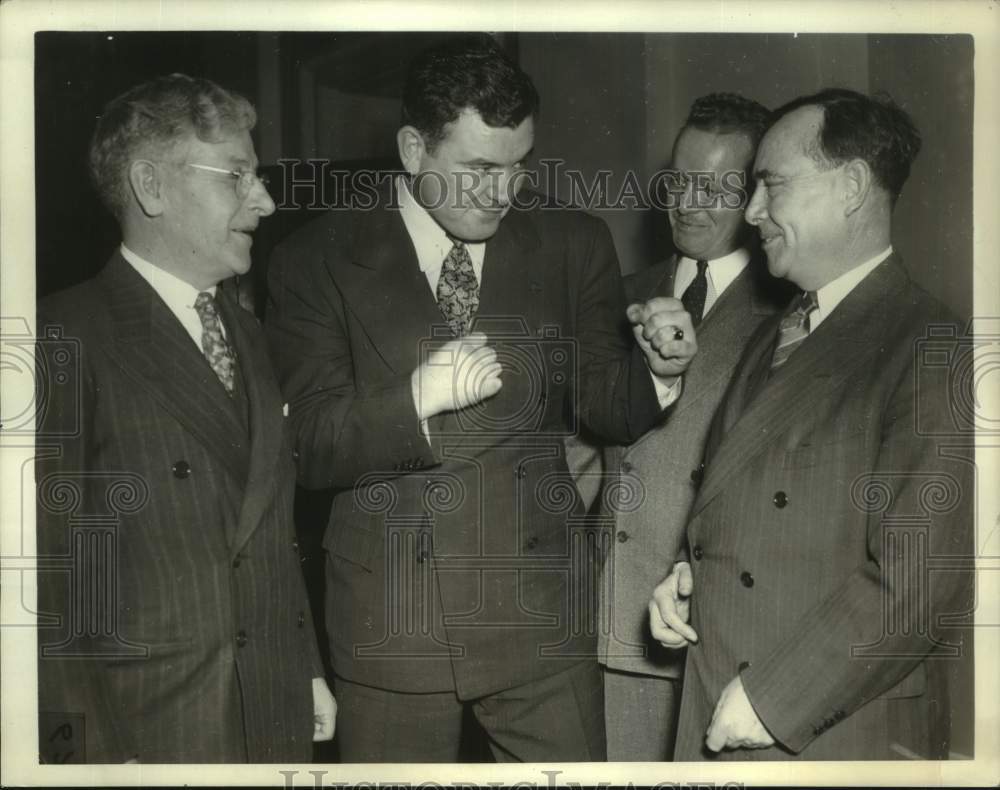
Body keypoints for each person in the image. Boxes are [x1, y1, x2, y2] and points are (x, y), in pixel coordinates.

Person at [265, 35, 697, 762]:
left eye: (518, 164)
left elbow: (606, 406)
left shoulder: (572, 242)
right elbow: (308, 445)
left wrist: (659, 370)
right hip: (393, 624)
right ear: (412, 149)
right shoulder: (314, 260)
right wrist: (412, 400)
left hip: (538, 618)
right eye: (478, 168)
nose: (504, 191)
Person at [650, 88, 974, 760]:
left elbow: (919, 580)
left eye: (770, 184)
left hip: (818, 730)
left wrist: (774, 701)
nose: (752, 210)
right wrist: (689, 576)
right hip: (721, 689)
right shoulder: (776, 333)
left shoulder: (932, 344)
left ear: (852, 185)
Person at [35, 73, 335, 763]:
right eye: (237, 175)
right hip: (150, 731)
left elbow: (268, 527)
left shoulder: (248, 330)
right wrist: (81, 760)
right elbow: (41, 590)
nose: (263, 200)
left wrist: (306, 666)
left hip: (270, 706)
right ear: (152, 187)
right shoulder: (60, 336)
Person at [576, 93, 791, 761]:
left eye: (716, 186)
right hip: (605, 619)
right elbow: (579, 457)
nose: (687, 201)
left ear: (757, 194)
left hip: (712, 631)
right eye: (679, 180)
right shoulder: (618, 293)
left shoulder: (787, 310)